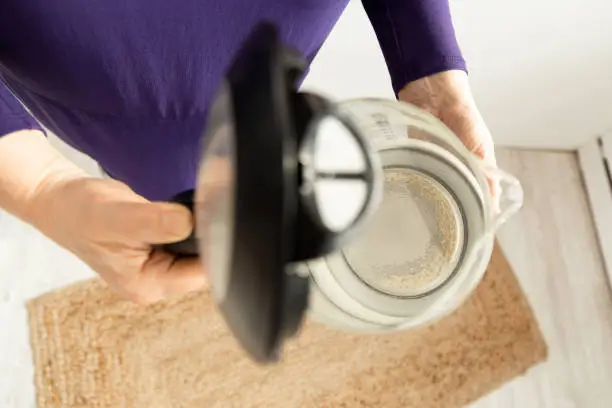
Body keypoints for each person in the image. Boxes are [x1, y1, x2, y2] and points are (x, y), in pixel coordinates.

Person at [0, 1, 495, 304]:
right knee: (165, 192)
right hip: (109, 98)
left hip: (270, 59)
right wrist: (37, 185)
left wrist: (430, 71)